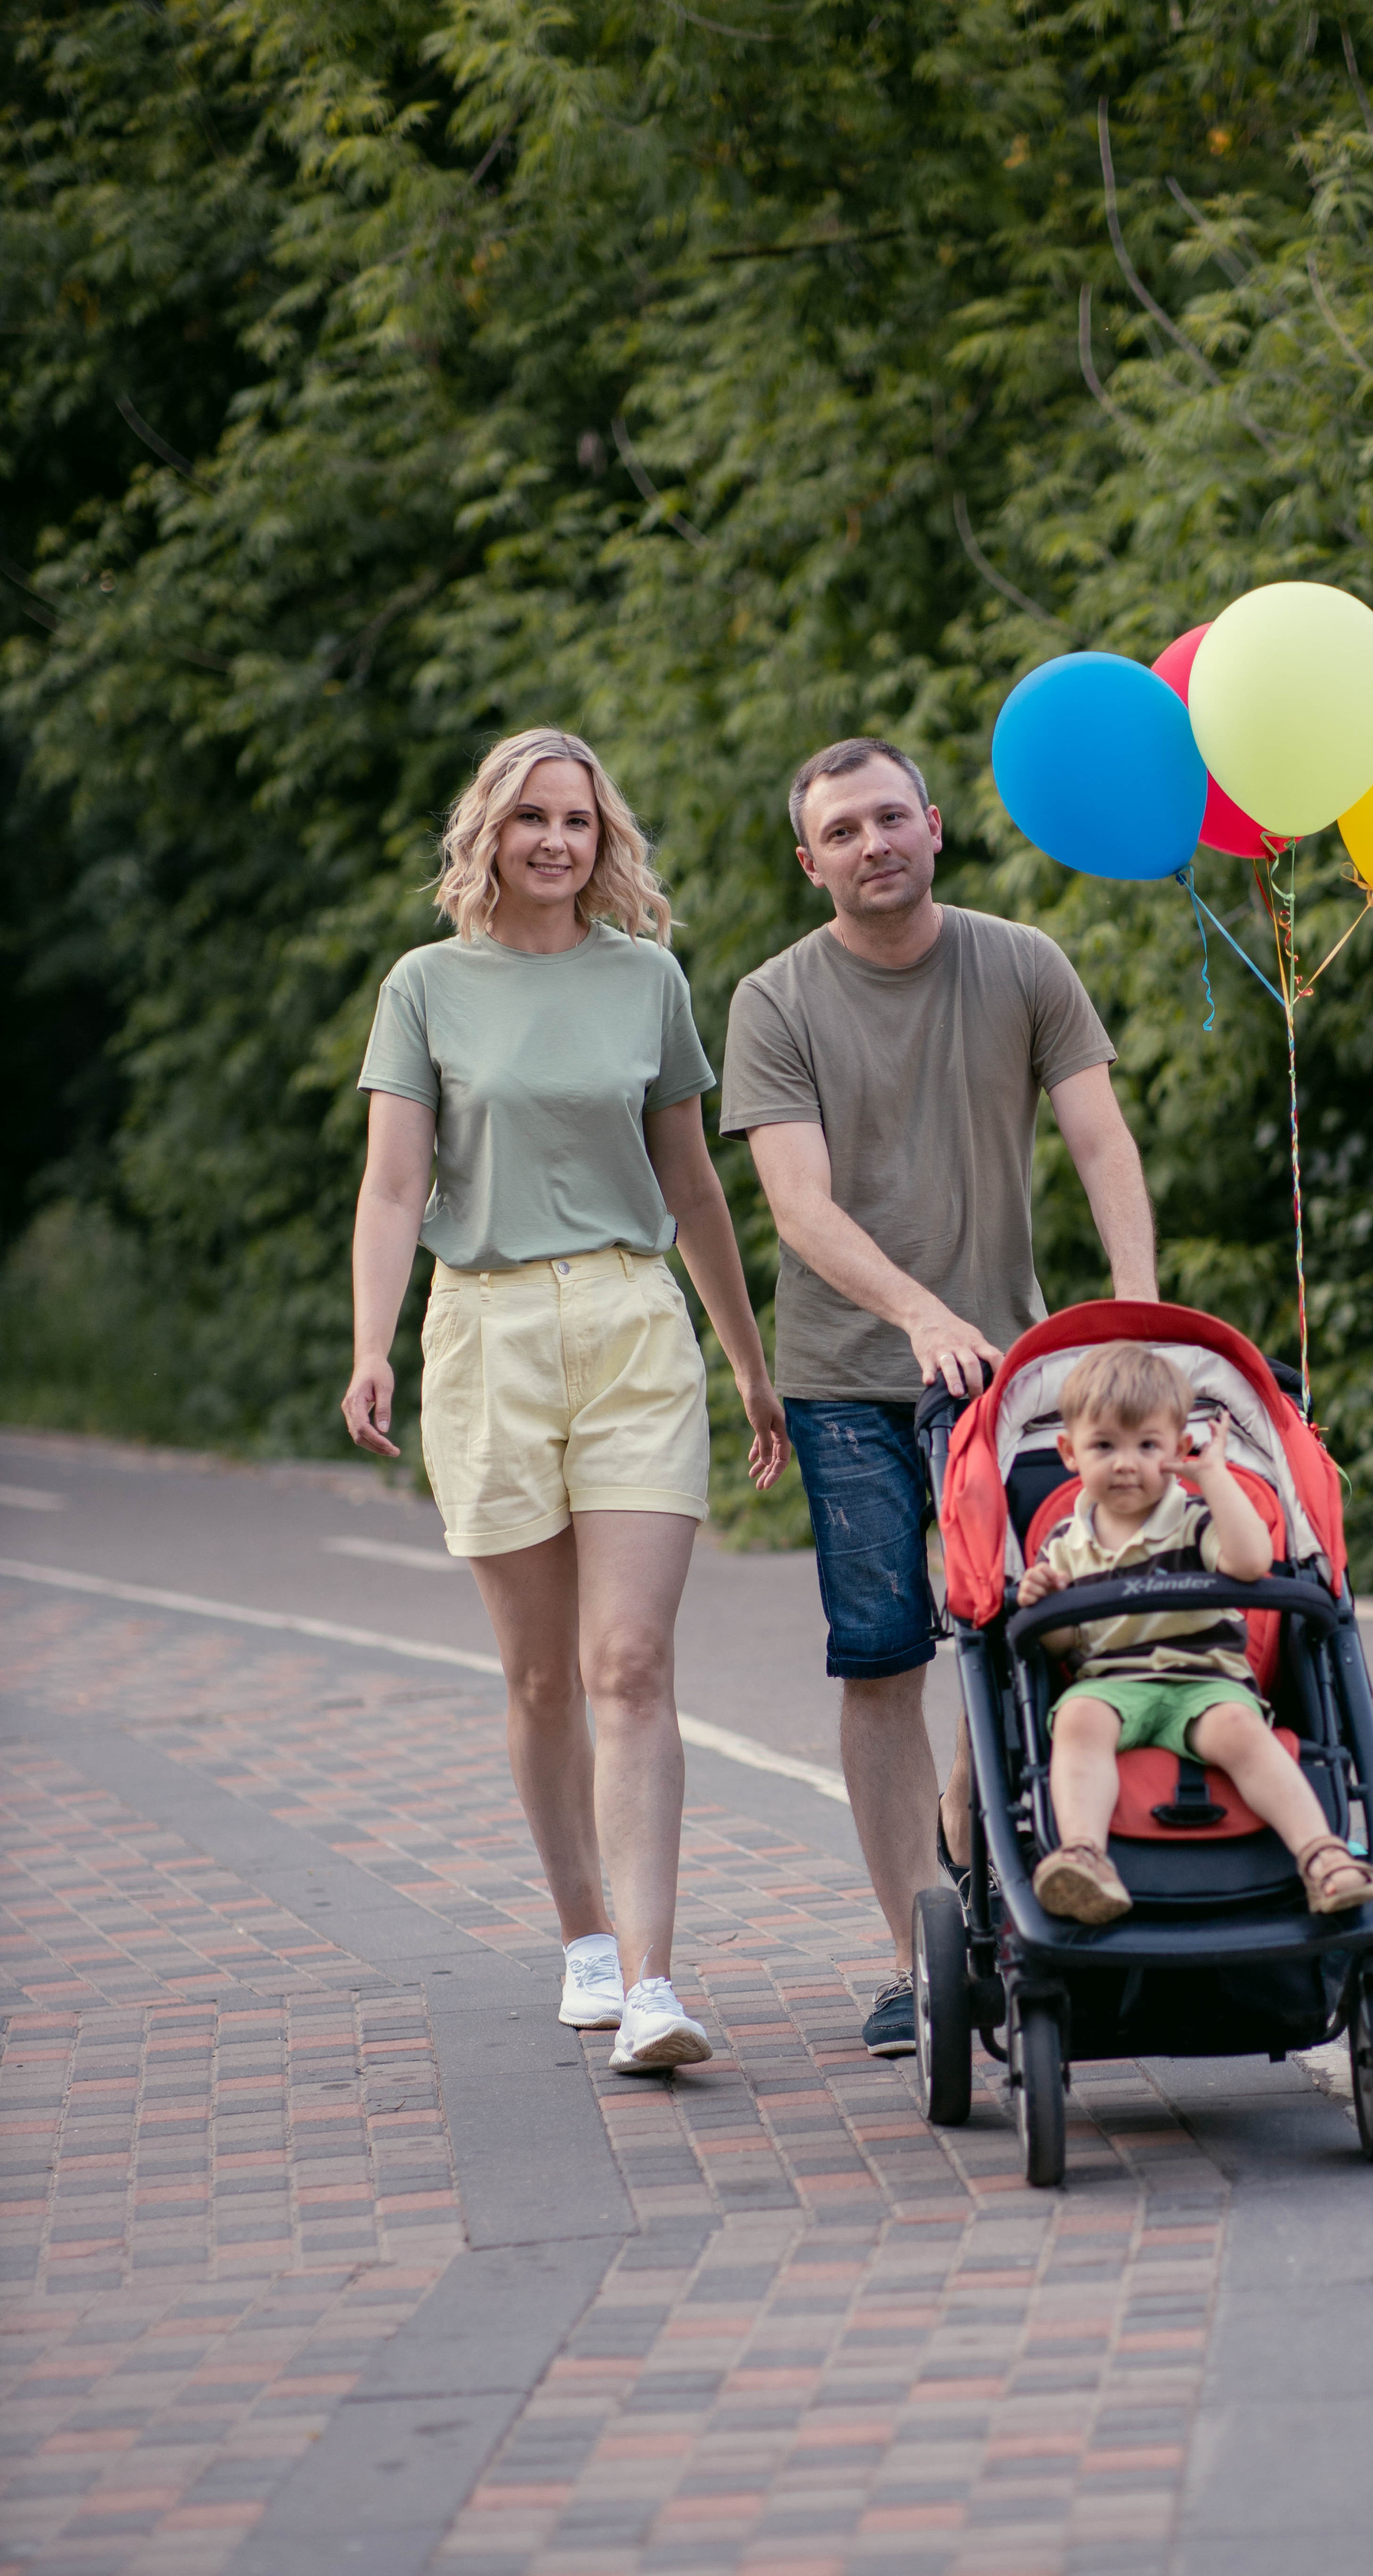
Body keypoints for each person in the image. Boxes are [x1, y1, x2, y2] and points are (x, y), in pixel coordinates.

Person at [341, 727, 788, 2074]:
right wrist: (376, 1344)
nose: (554, 840)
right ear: (490, 832)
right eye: (530, 817)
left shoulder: (647, 980)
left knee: (630, 1664)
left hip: (631, 1324)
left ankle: (654, 1983)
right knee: (540, 1676)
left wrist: (750, 1363)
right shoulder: (426, 986)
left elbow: (695, 1185)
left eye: (578, 822)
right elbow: (394, 1187)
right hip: (483, 1332)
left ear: (605, 842)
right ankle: (586, 1939)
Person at [719, 735, 1157, 2054]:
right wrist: (918, 1314)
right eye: (842, 832)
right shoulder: (775, 1000)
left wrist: (1133, 1325)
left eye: (890, 819)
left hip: (1014, 1378)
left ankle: (984, 1884)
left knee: (1024, 1630)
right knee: (882, 1660)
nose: (873, 845)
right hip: (847, 1382)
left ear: (936, 826)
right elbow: (799, 1205)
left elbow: (1101, 1141)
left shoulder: (1024, 963)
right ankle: (923, 1953)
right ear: (813, 863)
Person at [1017, 1343, 1373, 1926]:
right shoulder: (1064, 1543)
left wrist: (1216, 1481)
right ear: (1068, 1451)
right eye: (1105, 1446)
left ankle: (1322, 1853)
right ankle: (1084, 1856)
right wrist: (1047, 1602)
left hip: (1203, 1680)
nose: (1127, 1464)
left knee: (1243, 1732)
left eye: (1149, 1446)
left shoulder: (1195, 1517)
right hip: (1112, 1683)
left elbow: (1249, 1563)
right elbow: (1059, 1650)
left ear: (1180, 1448)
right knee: (1079, 1720)